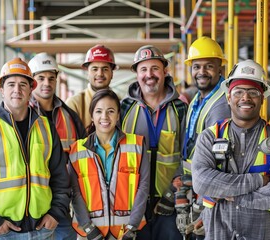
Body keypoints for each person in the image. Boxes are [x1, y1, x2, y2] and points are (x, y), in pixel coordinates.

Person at [0, 58, 70, 240]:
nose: (17, 90)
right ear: (2, 90)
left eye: (23, 84)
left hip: (43, 230)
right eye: (11, 84)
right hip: (4, 232)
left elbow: (60, 176)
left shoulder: (46, 128)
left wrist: (55, 213)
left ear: (30, 89)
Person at [192, 59, 270, 239]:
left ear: (263, 97)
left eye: (253, 92)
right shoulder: (209, 137)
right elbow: (202, 182)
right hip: (219, 233)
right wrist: (258, 181)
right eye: (238, 91)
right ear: (228, 97)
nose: (245, 98)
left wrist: (233, 196)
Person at [120, 45, 187, 240]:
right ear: (136, 74)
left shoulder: (180, 108)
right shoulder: (124, 108)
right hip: (133, 202)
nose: (149, 74)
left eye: (155, 68)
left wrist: (171, 195)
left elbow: (188, 156)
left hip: (170, 203)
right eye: (143, 69)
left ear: (165, 71)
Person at [69, 89, 150, 239]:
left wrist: (132, 227)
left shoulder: (137, 145)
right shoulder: (76, 150)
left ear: (118, 115)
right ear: (92, 116)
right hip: (89, 233)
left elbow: (143, 187)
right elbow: (75, 192)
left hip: (126, 232)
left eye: (110, 111)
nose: (104, 117)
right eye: (99, 111)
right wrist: (88, 228)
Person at [28, 52, 86, 239]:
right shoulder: (21, 116)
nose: (47, 83)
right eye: (41, 78)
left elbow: (83, 156)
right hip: (32, 202)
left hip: (61, 202)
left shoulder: (69, 116)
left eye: (51, 78)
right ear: (32, 81)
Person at [182, 36, 231, 174]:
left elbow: (219, 155)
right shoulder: (197, 99)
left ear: (220, 69)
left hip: (209, 179)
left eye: (209, 66)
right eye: (196, 67)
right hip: (194, 176)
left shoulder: (223, 103)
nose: (201, 72)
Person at [66, 44, 118, 128]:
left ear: (112, 74)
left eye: (105, 69)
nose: (100, 74)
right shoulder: (74, 104)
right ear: (87, 73)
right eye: (95, 69)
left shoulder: (120, 103)